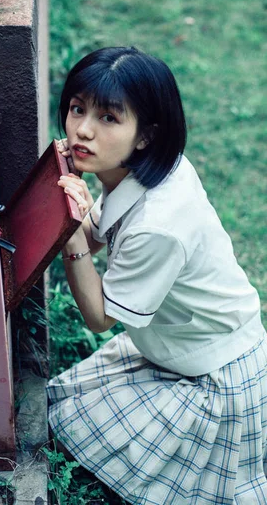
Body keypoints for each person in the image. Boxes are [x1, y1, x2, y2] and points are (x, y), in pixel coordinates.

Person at [47, 46, 267, 504]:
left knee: (78, 426)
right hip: (180, 344)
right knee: (67, 404)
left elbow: (100, 318)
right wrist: (75, 213)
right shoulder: (141, 172)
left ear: (145, 136)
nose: (83, 129)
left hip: (216, 376)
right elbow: (99, 233)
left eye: (109, 118)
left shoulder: (159, 225)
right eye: (77, 109)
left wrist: (68, 232)